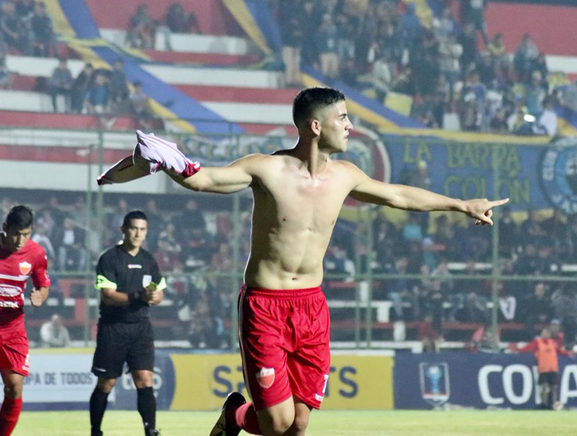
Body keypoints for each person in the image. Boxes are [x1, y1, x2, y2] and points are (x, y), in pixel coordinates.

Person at [98, 87, 508, 436]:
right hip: (265, 306)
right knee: (276, 424)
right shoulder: (268, 169)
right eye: (343, 118)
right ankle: (236, 415)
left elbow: (399, 196)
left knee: (298, 426)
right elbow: (205, 180)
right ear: (316, 125)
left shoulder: (345, 174)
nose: (350, 126)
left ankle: (237, 416)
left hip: (312, 307)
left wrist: (460, 204)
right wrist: (172, 163)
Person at [89, 210, 165, 436]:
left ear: (146, 232)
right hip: (114, 328)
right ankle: (96, 430)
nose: (137, 233)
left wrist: (154, 297)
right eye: (133, 228)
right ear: (123, 229)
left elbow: (159, 293)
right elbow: (108, 295)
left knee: (144, 379)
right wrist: (137, 297)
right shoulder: (109, 258)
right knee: (107, 383)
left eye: (142, 229)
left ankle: (150, 430)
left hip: (141, 328)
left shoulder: (149, 260)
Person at [0, 205, 51, 436]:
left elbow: (43, 284)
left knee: (15, 387)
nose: (20, 240)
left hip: (14, 329)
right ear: (5, 228)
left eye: (26, 234)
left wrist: (41, 295)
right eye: (16, 233)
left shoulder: (36, 253)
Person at [517, 327, 574, 410]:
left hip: (553, 368)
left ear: (550, 335)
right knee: (544, 387)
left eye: (547, 333)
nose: (545, 335)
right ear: (541, 334)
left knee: (554, 387)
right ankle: (544, 404)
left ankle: (554, 404)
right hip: (544, 369)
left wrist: (569, 353)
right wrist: (519, 350)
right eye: (544, 333)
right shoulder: (537, 342)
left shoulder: (552, 343)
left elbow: (559, 351)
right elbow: (529, 348)